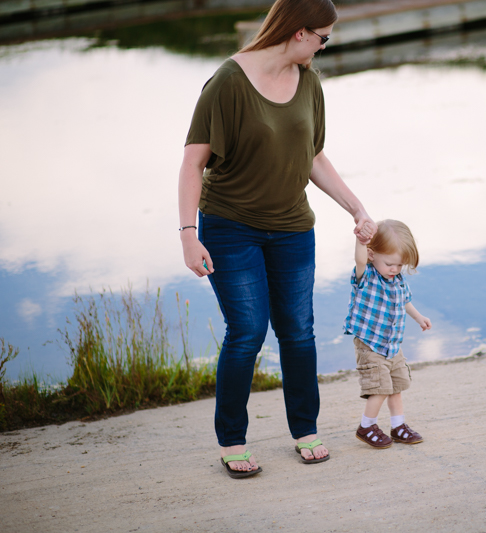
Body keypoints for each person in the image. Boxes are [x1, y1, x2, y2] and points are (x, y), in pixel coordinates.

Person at [178, 0, 376, 478]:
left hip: (292, 228)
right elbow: (192, 163)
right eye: (324, 37)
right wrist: (188, 234)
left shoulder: (309, 83)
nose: (326, 46)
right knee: (247, 332)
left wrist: (357, 208)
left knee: (297, 331)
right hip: (230, 227)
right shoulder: (227, 82)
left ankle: (304, 430)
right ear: (300, 33)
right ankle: (232, 440)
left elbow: (313, 157)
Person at [343, 220, 432, 448]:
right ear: (372, 255)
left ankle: (398, 426)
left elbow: (406, 302)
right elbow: (359, 259)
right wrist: (361, 240)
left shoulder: (398, 280)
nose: (395, 269)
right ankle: (367, 426)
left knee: (396, 387)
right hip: (370, 345)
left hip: (392, 345)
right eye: (390, 264)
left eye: (400, 265)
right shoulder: (367, 276)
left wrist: (419, 317)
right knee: (380, 388)